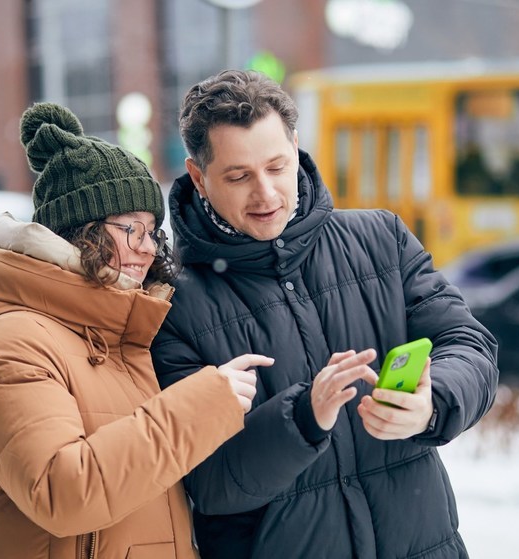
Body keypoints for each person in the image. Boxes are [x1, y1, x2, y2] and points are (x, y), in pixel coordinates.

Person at [152, 70, 499, 559]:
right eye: (239, 176)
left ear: (295, 146)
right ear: (198, 177)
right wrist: (303, 417)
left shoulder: (383, 240)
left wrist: (433, 400)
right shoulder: (169, 304)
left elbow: (469, 344)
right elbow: (211, 483)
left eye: (277, 166)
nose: (267, 194)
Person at [0, 102, 273, 559]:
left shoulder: (118, 337)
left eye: (152, 232)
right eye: (130, 230)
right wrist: (196, 409)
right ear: (80, 230)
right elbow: (65, 492)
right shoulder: (14, 342)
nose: (145, 249)